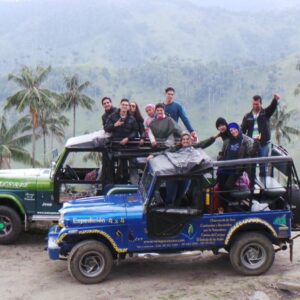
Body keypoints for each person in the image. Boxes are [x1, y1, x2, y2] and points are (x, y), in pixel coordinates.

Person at [241, 94, 280, 176]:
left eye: (257, 104)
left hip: (264, 144)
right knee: (251, 167)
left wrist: (275, 99)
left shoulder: (265, 113)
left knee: (263, 167)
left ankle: (263, 188)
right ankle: (252, 187)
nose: (255, 106)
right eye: (254, 104)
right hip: (252, 144)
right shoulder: (247, 116)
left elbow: (272, 107)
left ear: (261, 104)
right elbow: (243, 130)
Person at [217, 122, 258, 194]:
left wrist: (256, 143)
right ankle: (223, 204)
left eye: (234, 129)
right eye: (231, 130)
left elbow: (251, 153)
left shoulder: (245, 140)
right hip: (225, 166)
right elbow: (222, 153)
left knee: (227, 186)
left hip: (236, 169)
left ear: (238, 128)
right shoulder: (228, 141)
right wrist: (220, 159)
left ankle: (227, 203)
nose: (233, 131)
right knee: (220, 183)